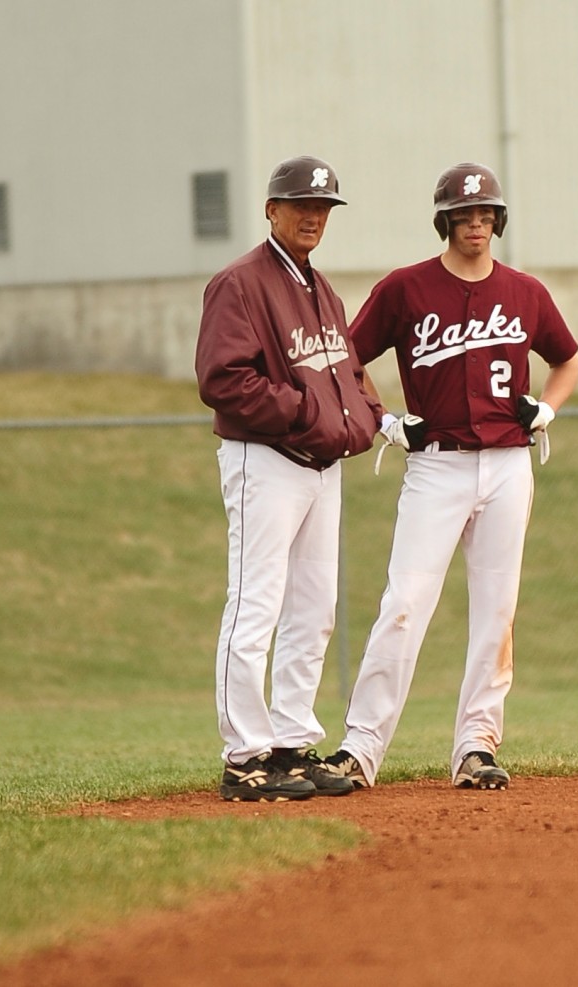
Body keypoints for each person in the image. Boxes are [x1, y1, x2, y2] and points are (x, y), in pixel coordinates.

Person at [322, 161, 578, 791]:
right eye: (464, 215)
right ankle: (361, 749)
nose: (476, 224)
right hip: (435, 465)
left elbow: (567, 358)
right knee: (405, 604)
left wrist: (547, 407)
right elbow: (348, 357)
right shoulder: (406, 289)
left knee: (497, 610)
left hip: (507, 465)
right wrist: (383, 419)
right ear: (445, 220)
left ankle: (477, 746)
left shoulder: (525, 292)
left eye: (485, 214)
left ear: (498, 219)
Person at [195, 154, 388, 802]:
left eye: (323, 207)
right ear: (271, 209)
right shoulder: (239, 282)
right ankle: (244, 755)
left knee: (314, 606)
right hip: (265, 458)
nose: (313, 215)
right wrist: (311, 413)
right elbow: (223, 380)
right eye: (301, 204)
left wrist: (370, 417)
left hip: (318, 466)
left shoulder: (320, 287)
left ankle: (289, 743)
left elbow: (347, 371)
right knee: (256, 603)